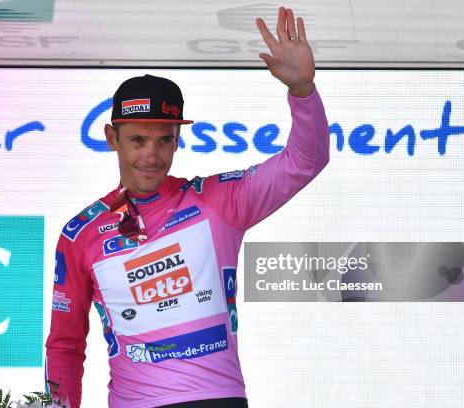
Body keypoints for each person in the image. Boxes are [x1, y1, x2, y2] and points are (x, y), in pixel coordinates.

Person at [45, 6, 329, 408]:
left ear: (177, 138)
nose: (151, 156)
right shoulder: (81, 234)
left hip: (216, 399)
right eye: (137, 140)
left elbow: (304, 162)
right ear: (113, 138)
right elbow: (65, 345)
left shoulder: (218, 201)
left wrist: (302, 92)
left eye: (163, 140)